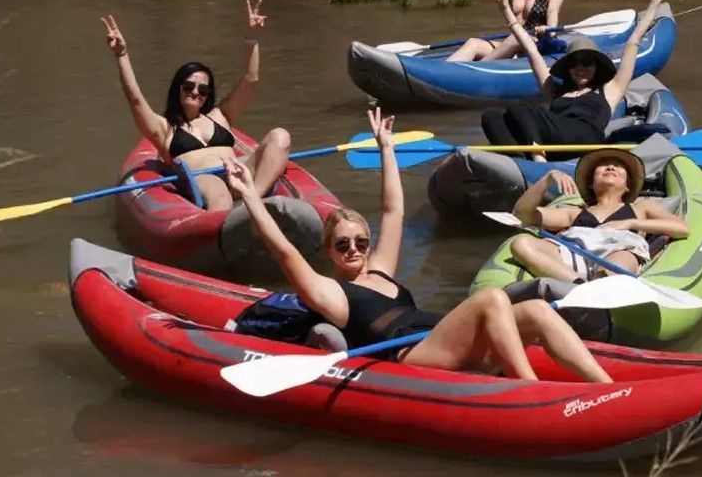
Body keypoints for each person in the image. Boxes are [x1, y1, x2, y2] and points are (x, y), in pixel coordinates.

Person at [221, 108, 612, 383]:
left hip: (447, 338)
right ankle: (530, 392)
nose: (354, 249)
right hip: (416, 354)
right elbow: (285, 252)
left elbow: (393, 211)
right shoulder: (332, 294)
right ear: (329, 250)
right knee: (493, 297)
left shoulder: (380, 271)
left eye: (361, 240)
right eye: (343, 244)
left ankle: (607, 388)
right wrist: (251, 199)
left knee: (539, 309)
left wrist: (386, 148)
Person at [100, 0, 291, 211]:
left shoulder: (221, 115)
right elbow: (135, 98)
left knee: (280, 136)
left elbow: (250, 80)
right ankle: (231, 224)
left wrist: (252, 38)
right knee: (218, 191)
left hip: (238, 175)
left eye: (203, 89)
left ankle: (253, 200)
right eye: (189, 85)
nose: (196, 92)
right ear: (178, 88)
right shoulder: (164, 128)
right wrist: (122, 55)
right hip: (202, 182)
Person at [481, 0, 664, 162]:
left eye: (586, 63)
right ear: (567, 68)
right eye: (574, 63)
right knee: (491, 116)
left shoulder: (609, 90)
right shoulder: (556, 90)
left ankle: (538, 159)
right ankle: (519, 161)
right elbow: (530, 49)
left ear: (596, 66)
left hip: (585, 139)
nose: (580, 68)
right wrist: (507, 12)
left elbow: (633, 42)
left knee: (518, 107)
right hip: (554, 141)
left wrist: (655, 3)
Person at [509, 148, 690, 284]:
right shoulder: (574, 212)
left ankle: (601, 286)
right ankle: (578, 286)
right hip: (572, 257)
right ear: (591, 184)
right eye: (602, 166)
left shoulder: (641, 208)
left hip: (618, 252)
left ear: (627, 185)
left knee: (616, 263)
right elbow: (522, 214)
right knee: (520, 243)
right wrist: (547, 178)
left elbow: (682, 229)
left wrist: (629, 223)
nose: (610, 167)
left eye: (618, 166)